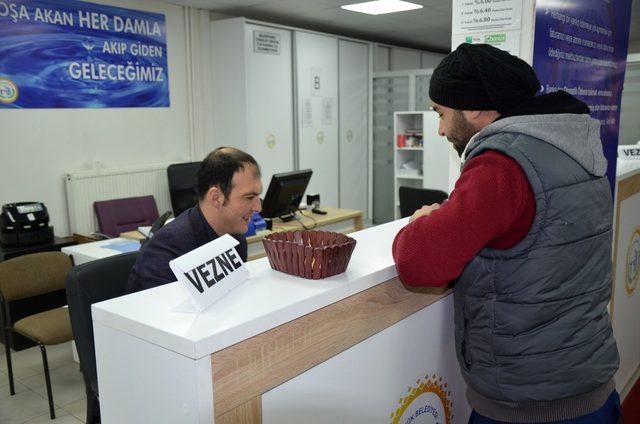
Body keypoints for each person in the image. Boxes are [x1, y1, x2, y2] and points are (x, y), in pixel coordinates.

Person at [392, 43, 621, 423]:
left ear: (475, 108)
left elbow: (418, 262)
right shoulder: (571, 147)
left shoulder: (502, 164)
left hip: (532, 408)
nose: (441, 129)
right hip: (590, 387)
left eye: (442, 113)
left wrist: (420, 224)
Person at [126, 147, 263, 293]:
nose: (258, 208)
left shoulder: (235, 240)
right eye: (249, 197)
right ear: (216, 198)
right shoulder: (168, 248)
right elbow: (160, 312)